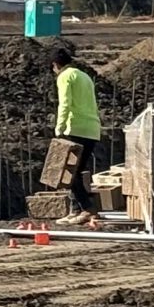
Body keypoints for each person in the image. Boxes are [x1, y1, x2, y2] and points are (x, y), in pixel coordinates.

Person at [45, 42, 101, 216]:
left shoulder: (64, 76)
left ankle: (87, 208)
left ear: (55, 65)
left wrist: (59, 128)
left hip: (75, 128)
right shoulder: (84, 76)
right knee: (76, 170)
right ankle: (76, 210)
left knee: (70, 172)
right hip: (92, 129)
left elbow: (65, 104)